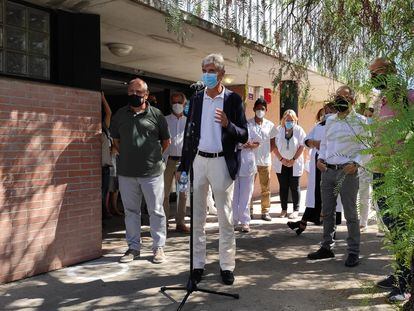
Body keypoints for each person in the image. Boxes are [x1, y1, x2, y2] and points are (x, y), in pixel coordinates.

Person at [177, 53, 248, 285]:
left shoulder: (233, 100)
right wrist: (184, 165)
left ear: (221, 74)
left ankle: (227, 266)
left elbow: (244, 134)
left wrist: (228, 125)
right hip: (199, 161)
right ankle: (198, 265)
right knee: (197, 217)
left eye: (211, 71)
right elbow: (189, 133)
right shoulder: (196, 99)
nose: (207, 74)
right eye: (204, 70)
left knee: (225, 218)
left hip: (221, 162)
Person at [110, 78, 170, 264]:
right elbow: (116, 141)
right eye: (131, 92)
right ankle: (133, 247)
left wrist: (150, 158)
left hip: (152, 173)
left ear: (146, 94)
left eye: (138, 92)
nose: (134, 95)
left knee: (156, 210)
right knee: (131, 211)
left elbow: (166, 142)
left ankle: (158, 247)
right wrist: (130, 156)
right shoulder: (120, 114)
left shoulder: (157, 115)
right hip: (127, 172)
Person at [307, 86, 368, 268]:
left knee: (350, 214)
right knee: (327, 212)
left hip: (348, 172)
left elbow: (367, 147)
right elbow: (325, 144)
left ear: (353, 101)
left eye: (345, 97)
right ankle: (326, 247)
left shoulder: (360, 121)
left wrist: (356, 163)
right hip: (327, 171)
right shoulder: (330, 120)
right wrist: (321, 159)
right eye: (337, 96)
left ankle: (353, 252)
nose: (340, 99)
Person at [369, 57, 413, 302]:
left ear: (390, 72)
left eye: (376, 72)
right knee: (391, 227)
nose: (373, 77)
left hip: (399, 174)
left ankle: (406, 283)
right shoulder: (382, 101)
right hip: (380, 170)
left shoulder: (408, 97)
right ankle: (399, 274)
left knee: (401, 228)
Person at [287, 103, 343, 235]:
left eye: (330, 110)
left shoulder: (339, 126)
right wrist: (314, 143)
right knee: (315, 195)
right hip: (318, 163)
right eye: (326, 110)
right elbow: (306, 141)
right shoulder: (318, 126)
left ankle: (330, 231)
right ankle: (303, 223)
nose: (327, 113)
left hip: (332, 164)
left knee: (331, 196)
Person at [272, 109, 306, 219]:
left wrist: (293, 159)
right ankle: (284, 210)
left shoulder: (299, 130)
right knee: (283, 187)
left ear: (295, 120)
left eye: (291, 120)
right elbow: (274, 146)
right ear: (283, 119)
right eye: (287, 120)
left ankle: (296, 210)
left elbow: (302, 146)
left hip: (294, 163)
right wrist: (282, 159)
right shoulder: (278, 130)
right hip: (281, 162)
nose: (289, 122)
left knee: (295, 186)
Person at [163, 92, 189, 233]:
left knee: (183, 193)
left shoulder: (189, 122)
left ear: (184, 104)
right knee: (164, 193)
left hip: (183, 164)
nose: (177, 105)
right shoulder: (164, 120)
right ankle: (164, 222)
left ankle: (180, 222)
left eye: (180, 102)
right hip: (168, 161)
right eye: (174, 102)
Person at [248, 98, 277, 221]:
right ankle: (248, 211)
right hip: (250, 160)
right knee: (249, 187)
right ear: (254, 109)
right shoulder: (248, 123)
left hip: (265, 162)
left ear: (266, 110)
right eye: (258, 108)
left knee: (265, 188)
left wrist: (264, 153)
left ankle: (265, 211)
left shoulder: (270, 125)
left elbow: (273, 143)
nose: (260, 111)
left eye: (262, 109)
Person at [233, 120, 260, 233]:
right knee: (233, 195)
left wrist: (250, 145)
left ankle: (245, 221)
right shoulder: (231, 126)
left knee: (246, 195)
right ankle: (233, 221)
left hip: (247, 163)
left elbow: (258, 142)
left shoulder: (250, 127)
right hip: (233, 163)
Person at [358, 107, 375, 232]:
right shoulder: (361, 132)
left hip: (379, 166)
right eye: (366, 116)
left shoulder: (381, 130)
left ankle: (382, 225)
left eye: (370, 116)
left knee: (379, 195)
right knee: (364, 194)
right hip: (363, 166)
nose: (368, 118)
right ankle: (363, 222)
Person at [101, 91, 113, 219]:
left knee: (104, 194)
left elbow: (109, 113)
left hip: (105, 167)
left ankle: (103, 217)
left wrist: (103, 98)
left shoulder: (104, 128)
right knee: (99, 195)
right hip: (97, 168)